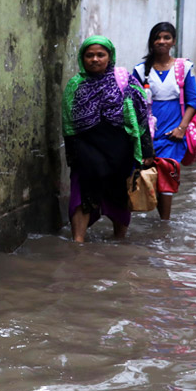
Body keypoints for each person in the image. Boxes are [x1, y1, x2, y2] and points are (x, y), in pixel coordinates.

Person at [62, 35, 153, 242]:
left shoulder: (126, 81)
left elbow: (141, 116)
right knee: (82, 191)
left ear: (109, 57)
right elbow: (67, 124)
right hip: (86, 148)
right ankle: (78, 242)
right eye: (89, 55)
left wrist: (147, 152)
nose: (95, 59)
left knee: (118, 195)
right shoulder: (75, 86)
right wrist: (72, 155)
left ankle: (119, 239)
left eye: (100, 55)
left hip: (119, 149)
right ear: (82, 58)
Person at [131, 22, 196, 220]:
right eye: (157, 37)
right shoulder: (140, 70)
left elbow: (193, 101)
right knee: (148, 173)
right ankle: (153, 220)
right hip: (148, 133)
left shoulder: (184, 67)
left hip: (173, 131)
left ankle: (164, 225)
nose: (162, 41)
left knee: (167, 173)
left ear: (173, 41)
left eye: (166, 37)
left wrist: (182, 128)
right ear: (152, 41)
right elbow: (134, 104)